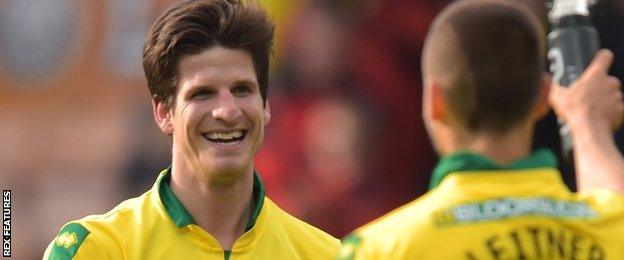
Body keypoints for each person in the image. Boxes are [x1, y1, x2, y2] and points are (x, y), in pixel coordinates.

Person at [43, 0, 340, 259]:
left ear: (265, 107)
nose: (227, 111)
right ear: (163, 113)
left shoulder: (326, 254)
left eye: (242, 89)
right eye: (202, 93)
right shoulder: (95, 250)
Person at [337, 0, 624, 259]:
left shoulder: (380, 249)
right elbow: (612, 204)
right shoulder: (607, 229)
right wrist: (589, 125)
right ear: (542, 98)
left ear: (436, 102)